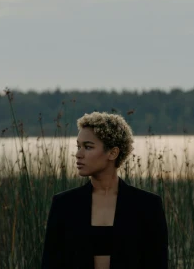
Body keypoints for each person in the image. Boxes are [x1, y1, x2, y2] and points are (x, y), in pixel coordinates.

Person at [41, 111, 169, 269]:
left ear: (113, 153)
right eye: (78, 146)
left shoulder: (147, 205)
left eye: (88, 147)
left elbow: (157, 263)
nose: (78, 154)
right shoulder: (64, 204)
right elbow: (50, 263)